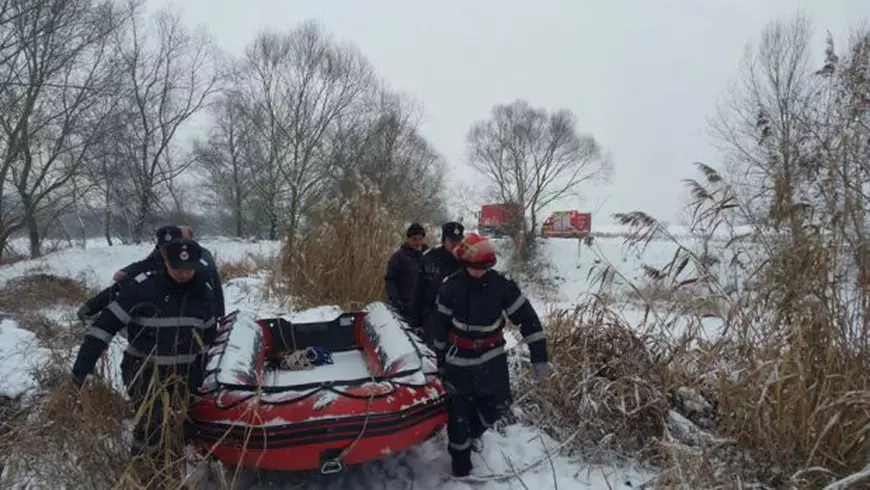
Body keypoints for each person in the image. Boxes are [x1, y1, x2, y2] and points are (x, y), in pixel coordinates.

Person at [70, 237, 218, 471]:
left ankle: (175, 465)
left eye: (189, 268)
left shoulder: (203, 291)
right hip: (144, 370)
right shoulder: (141, 289)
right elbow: (103, 328)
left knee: (180, 420)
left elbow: (209, 337)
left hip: (184, 373)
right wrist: (82, 370)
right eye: (177, 268)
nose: (183, 274)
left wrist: (202, 376)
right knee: (153, 422)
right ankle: (145, 472)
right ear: (165, 262)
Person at [432, 233, 550, 477]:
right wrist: (440, 364)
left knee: (500, 402)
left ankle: (472, 435)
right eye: (474, 268)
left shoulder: (502, 285)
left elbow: (528, 320)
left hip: (492, 358)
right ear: (464, 264)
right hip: (459, 360)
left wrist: (540, 357)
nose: (478, 272)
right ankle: (461, 468)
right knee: (459, 415)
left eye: (484, 268)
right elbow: (440, 328)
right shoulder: (450, 286)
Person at [77, 225, 225, 322]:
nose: (165, 254)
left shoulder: (199, 258)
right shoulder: (158, 258)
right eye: (162, 249)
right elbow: (137, 272)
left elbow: (214, 287)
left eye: (170, 249)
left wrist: (219, 317)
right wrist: (92, 306)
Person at [409, 221, 465, 347]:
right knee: (435, 353)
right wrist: (416, 322)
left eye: (459, 241)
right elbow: (418, 291)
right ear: (444, 240)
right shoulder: (430, 258)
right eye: (452, 241)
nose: (456, 245)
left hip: (457, 319)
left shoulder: (466, 261)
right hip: (432, 316)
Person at [384, 222, 428, 321]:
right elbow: (390, 280)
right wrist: (396, 300)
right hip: (405, 307)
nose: (417, 242)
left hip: (424, 308)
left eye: (420, 239)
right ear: (408, 239)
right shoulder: (398, 257)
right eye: (414, 239)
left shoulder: (428, 256)